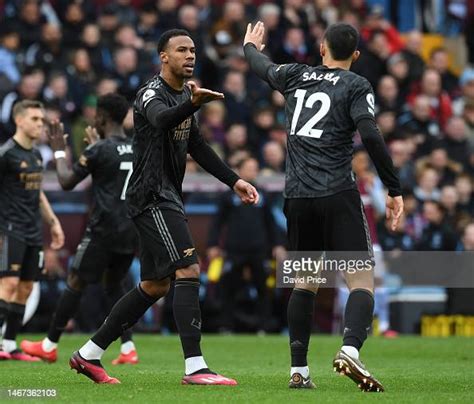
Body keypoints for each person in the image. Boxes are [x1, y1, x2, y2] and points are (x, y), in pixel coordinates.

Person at [70, 29, 259, 385]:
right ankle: (195, 367)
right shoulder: (150, 94)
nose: (190, 55)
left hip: (166, 195)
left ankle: (89, 354)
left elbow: (197, 146)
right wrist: (192, 104)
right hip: (151, 195)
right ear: (163, 57)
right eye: (181, 50)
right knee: (188, 270)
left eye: (193, 49)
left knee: (156, 286)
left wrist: (234, 180)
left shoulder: (183, 96)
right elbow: (160, 120)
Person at [243, 22, 403, 392]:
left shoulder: (296, 75)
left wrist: (250, 46)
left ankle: (298, 371)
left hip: (297, 197)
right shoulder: (356, 85)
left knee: (305, 282)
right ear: (356, 55)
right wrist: (394, 187)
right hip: (337, 194)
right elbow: (371, 136)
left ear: (320, 48)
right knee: (361, 279)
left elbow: (260, 66)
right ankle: (350, 348)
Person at [21, 94, 139, 365]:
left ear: (102, 117)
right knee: (116, 285)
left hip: (103, 229)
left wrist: (59, 149)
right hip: (130, 229)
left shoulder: (98, 150)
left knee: (75, 281)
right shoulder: (135, 147)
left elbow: (65, 181)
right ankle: (128, 348)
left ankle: (49, 345)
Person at [0, 100, 65, 361]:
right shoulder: (6, 155)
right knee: (8, 283)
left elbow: (38, 193)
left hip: (32, 231)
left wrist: (53, 222)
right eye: (35, 119)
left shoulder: (36, 155)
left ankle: (10, 344)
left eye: (42, 119)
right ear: (19, 120)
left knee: (26, 287)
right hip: (8, 229)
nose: (41, 124)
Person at [207, 156, 285, 332]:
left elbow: (271, 223)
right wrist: (213, 244)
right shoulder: (228, 196)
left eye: (255, 168)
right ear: (240, 171)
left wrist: (277, 244)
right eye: (249, 167)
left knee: (263, 289)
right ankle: (226, 325)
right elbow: (217, 222)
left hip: (259, 249)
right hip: (234, 249)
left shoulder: (263, 195)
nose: (252, 171)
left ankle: (264, 327)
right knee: (228, 287)